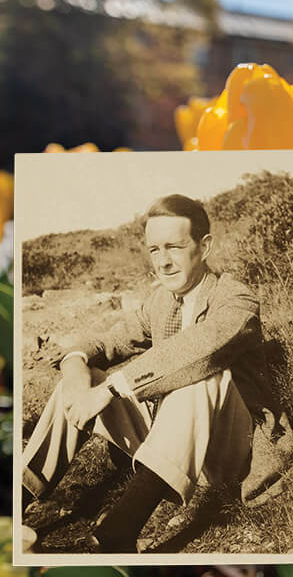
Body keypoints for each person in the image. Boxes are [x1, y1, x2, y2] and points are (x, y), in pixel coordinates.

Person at [21, 194, 279, 553]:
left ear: (204, 247)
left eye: (173, 247)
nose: (163, 262)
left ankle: (120, 531)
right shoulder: (158, 301)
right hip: (170, 445)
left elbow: (200, 349)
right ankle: (16, 500)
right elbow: (104, 339)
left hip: (230, 451)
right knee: (78, 383)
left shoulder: (235, 298)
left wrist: (111, 388)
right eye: (154, 249)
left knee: (204, 376)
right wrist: (76, 366)